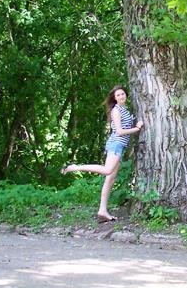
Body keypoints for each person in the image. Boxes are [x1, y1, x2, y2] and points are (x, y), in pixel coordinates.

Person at [61, 85, 142, 222]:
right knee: (107, 170)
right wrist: (137, 128)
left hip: (119, 146)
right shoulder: (116, 110)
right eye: (118, 95)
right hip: (116, 144)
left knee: (110, 178)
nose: (121, 96)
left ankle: (102, 211)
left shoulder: (124, 109)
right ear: (114, 98)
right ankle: (74, 167)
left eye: (123, 94)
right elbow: (119, 132)